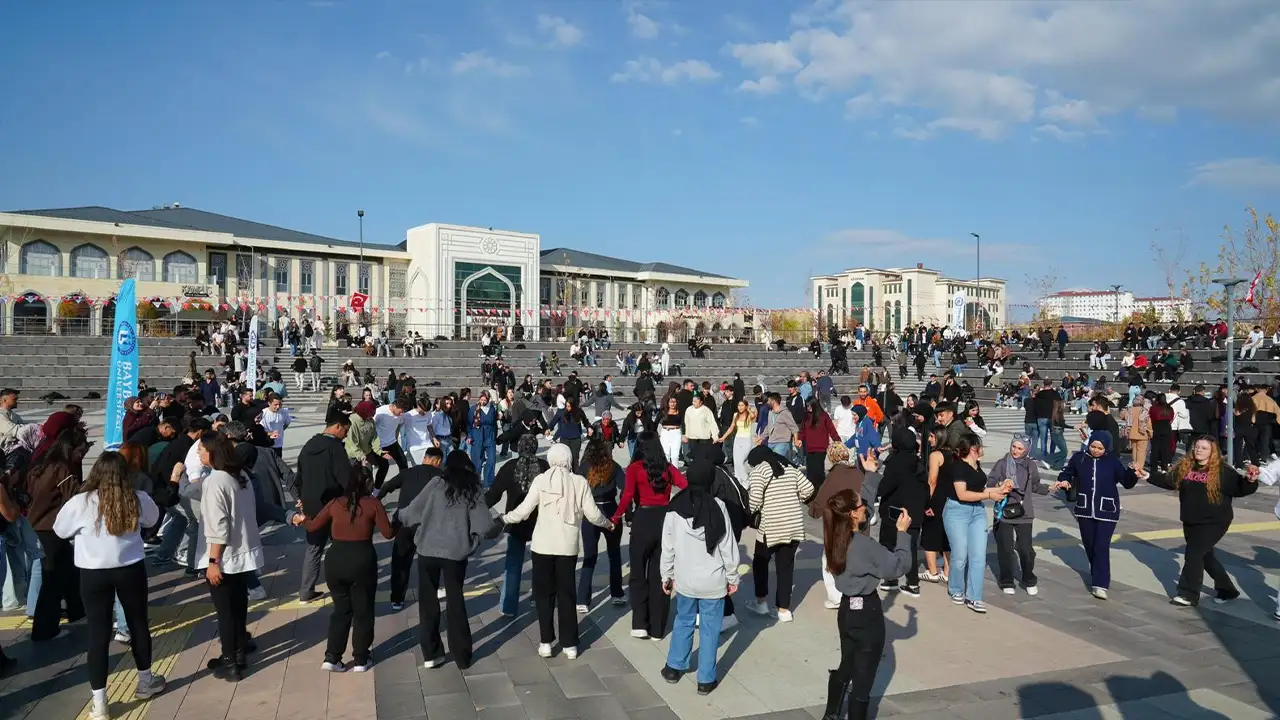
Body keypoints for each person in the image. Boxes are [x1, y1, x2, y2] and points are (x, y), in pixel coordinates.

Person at [52, 452, 166, 716]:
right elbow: (152, 519)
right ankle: (146, 680)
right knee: (138, 624)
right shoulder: (137, 497)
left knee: (98, 634)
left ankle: (100, 702)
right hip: (130, 568)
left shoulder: (81, 502)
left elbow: (60, 530)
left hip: (93, 573)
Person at [500, 444, 613, 659]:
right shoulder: (579, 482)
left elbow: (523, 511)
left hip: (542, 546)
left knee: (544, 595)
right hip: (567, 548)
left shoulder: (541, 480)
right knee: (567, 594)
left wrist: (504, 519)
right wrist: (608, 524)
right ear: (569, 459)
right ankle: (569, 644)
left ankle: (545, 642)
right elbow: (593, 514)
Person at [821, 489, 913, 720]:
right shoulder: (864, 545)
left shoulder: (834, 537)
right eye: (862, 505)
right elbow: (898, 566)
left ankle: (831, 714)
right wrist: (902, 534)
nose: (866, 508)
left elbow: (858, 501)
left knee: (847, 663)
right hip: (867, 615)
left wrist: (870, 476)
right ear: (852, 514)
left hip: (846, 611)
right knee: (862, 682)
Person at [399, 451, 494, 670]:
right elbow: (486, 526)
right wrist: (475, 539)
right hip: (455, 553)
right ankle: (462, 655)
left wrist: (399, 517)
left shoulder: (435, 484)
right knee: (455, 600)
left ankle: (432, 654)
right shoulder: (473, 489)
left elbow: (413, 511)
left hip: (427, 550)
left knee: (428, 601)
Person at [1144, 438, 1259, 607]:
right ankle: (1227, 590)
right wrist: (1147, 476)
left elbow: (1240, 488)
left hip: (1215, 521)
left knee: (1193, 555)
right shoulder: (1185, 467)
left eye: (1204, 448)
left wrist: (1250, 480)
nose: (1199, 450)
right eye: (1197, 447)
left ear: (1212, 452)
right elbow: (1169, 481)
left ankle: (1188, 594)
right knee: (1205, 556)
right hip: (1191, 519)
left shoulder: (1223, 471)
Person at [658, 462, 741, 696]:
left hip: (685, 579)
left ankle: (674, 666)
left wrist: (667, 575)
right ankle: (705, 679)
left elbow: (668, 547)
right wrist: (733, 575)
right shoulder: (719, 507)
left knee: (683, 620)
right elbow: (727, 546)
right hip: (713, 581)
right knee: (709, 629)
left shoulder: (674, 508)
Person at [305, 461, 394, 672]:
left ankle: (332, 657)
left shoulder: (336, 503)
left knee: (341, 610)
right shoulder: (373, 504)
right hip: (362, 558)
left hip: (336, 559)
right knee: (363, 611)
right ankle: (361, 658)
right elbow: (388, 533)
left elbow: (313, 526)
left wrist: (302, 518)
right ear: (368, 482)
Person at [196, 433, 263, 681]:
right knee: (238, 604)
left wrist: (213, 562)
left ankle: (230, 660)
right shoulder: (241, 475)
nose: (198, 453)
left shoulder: (215, 481)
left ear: (214, 453)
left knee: (224, 611)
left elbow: (218, 527)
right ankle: (239, 649)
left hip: (223, 555)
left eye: (202, 449)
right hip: (242, 554)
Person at [613, 434, 687, 639]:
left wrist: (616, 516)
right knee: (661, 574)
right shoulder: (668, 468)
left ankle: (640, 623)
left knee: (638, 573)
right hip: (665, 520)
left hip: (643, 518)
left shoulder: (635, 468)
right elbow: (685, 486)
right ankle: (657, 628)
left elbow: (627, 495)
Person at [1050, 431, 1139, 600]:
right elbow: (1067, 472)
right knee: (1090, 545)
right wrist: (1063, 480)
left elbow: (1126, 482)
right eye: (1093, 446)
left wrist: (1133, 473)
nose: (1096, 450)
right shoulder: (1079, 458)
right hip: (1084, 510)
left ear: (1107, 448)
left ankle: (1100, 584)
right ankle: (1097, 573)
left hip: (1107, 511)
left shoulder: (1113, 462)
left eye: (1100, 448)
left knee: (1101, 546)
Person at [26, 418, 91, 641]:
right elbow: (75, 495)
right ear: (71, 448)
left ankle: (77, 611)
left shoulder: (42, 464)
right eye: (81, 450)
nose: (82, 456)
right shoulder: (62, 469)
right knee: (52, 579)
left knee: (68, 569)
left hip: (40, 525)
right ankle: (44, 629)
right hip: (51, 528)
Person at [746, 445, 815, 622]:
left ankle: (761, 602)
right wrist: (793, 498)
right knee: (785, 567)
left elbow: (753, 502)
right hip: (793, 525)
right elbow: (809, 489)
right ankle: (783, 609)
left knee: (760, 563)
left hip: (771, 527)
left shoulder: (759, 471)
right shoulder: (789, 467)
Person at [941, 433, 1006, 613]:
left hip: (977, 511)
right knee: (960, 554)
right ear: (972, 448)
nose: (982, 449)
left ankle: (974, 597)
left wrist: (1000, 489)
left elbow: (979, 488)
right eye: (980, 445)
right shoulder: (958, 467)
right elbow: (962, 494)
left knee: (978, 556)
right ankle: (956, 589)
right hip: (957, 511)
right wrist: (990, 496)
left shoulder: (976, 466)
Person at [484, 435, 546, 617]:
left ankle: (508, 606)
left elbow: (493, 495)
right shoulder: (544, 468)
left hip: (515, 521)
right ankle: (538, 598)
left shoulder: (510, 466)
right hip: (540, 522)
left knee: (513, 565)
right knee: (540, 564)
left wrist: (476, 509)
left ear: (518, 447)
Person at [297, 409, 352, 603]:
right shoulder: (335, 448)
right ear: (337, 426)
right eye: (345, 430)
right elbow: (345, 478)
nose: (345, 434)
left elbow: (299, 477)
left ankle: (306, 591)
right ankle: (343, 585)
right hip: (334, 505)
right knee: (341, 546)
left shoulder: (308, 445)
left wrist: (301, 498)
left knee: (313, 549)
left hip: (311, 506)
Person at [380, 447, 444, 610]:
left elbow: (388, 486)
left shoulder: (408, 472)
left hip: (404, 523)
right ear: (437, 461)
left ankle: (396, 599)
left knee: (401, 561)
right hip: (428, 525)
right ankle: (430, 593)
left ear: (424, 458)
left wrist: (375, 499)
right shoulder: (441, 476)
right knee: (429, 561)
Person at [987, 435, 1045, 596]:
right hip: (1004, 512)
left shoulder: (1030, 465)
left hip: (1023, 512)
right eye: (1014, 447)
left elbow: (1035, 485)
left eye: (1020, 448)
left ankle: (1028, 578)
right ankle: (1006, 580)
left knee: (1025, 549)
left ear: (1026, 450)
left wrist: (1050, 488)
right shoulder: (1002, 463)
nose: (1015, 451)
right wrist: (1000, 485)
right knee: (1005, 548)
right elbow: (990, 482)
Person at [875, 429, 928, 597]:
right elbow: (925, 486)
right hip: (915, 511)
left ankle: (891, 579)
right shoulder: (917, 461)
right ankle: (913, 583)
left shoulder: (896, 461)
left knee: (889, 544)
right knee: (910, 545)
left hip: (895, 511)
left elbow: (885, 486)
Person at [576, 437, 625, 612]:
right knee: (614, 554)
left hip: (590, 512)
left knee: (589, 556)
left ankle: (583, 599)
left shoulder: (584, 468)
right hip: (610, 509)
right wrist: (624, 510)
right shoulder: (613, 466)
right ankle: (617, 593)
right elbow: (625, 488)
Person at [798, 397, 840, 490]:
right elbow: (802, 430)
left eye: (809, 406)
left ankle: (821, 488)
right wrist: (800, 439)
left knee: (818, 470)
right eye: (807, 406)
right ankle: (811, 489)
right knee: (810, 470)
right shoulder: (806, 416)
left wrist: (837, 440)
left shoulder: (823, 416)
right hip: (809, 447)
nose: (808, 408)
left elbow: (831, 429)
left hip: (820, 448)